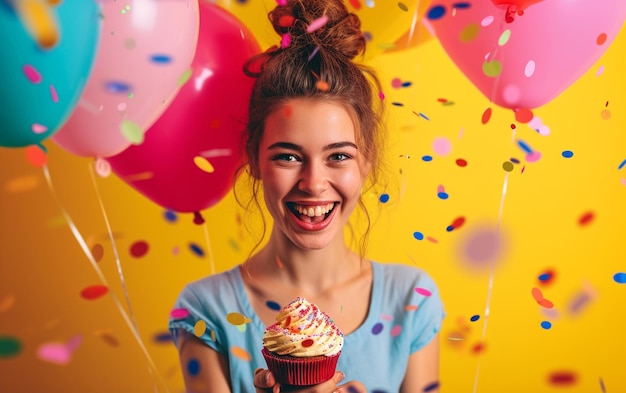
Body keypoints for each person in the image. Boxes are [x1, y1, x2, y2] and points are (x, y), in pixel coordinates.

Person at [168, 0, 445, 392]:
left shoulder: (412, 300)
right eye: (288, 156)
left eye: (338, 156)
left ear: (365, 161)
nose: (314, 183)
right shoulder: (205, 311)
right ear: (253, 158)